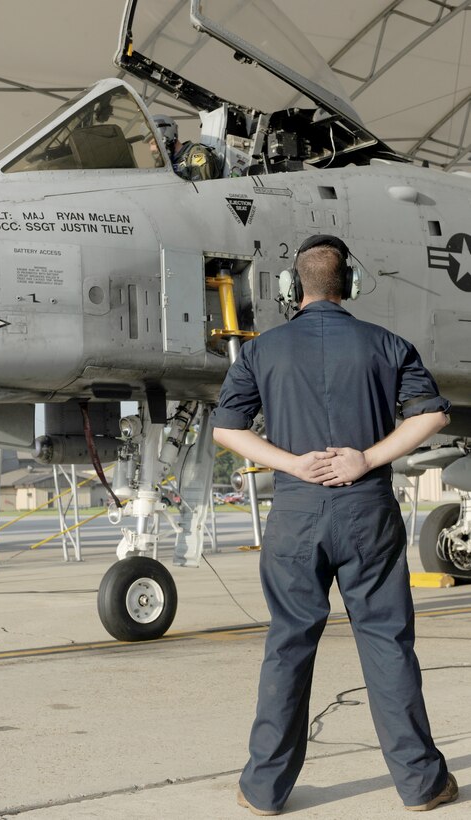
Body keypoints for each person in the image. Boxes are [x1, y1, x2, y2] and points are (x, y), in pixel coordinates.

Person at [210, 234, 458, 816]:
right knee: (386, 642)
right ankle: (421, 784)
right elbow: (433, 414)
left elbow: (227, 428)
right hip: (367, 507)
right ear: (349, 285)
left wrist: (293, 462)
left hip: (296, 512)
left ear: (295, 288)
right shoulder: (388, 344)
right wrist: (367, 458)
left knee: (289, 644)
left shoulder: (262, 351)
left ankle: (265, 788)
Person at [149, 114, 221, 181]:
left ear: (166, 137)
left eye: (153, 143)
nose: (151, 149)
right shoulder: (168, 162)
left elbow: (200, 190)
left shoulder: (197, 155)